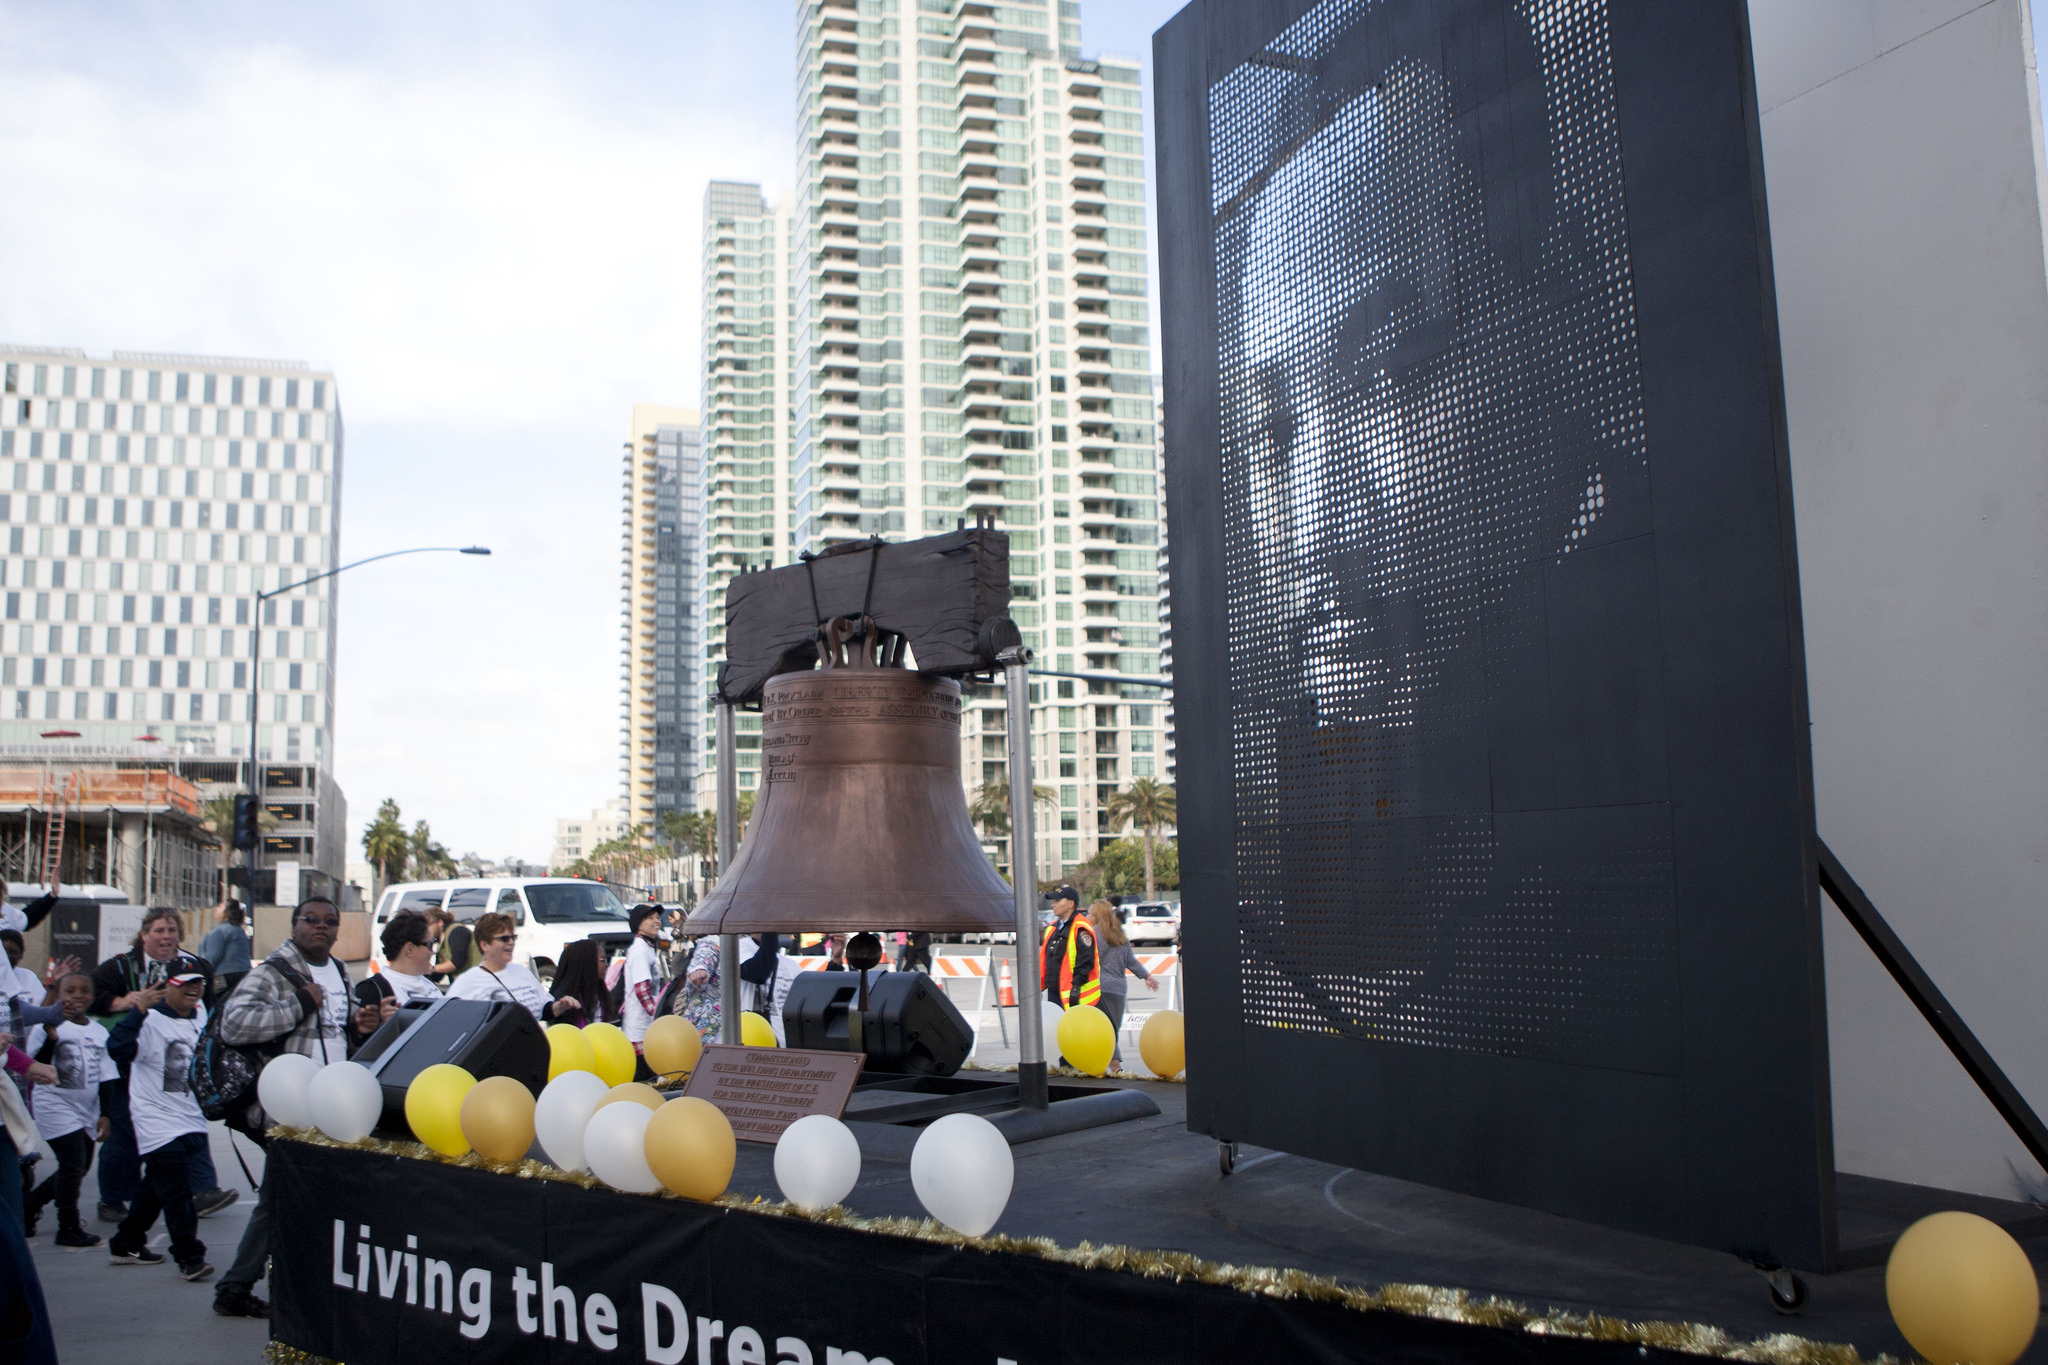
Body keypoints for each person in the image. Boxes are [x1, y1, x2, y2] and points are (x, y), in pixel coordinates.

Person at [212, 896, 382, 1319]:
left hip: (333, 1106)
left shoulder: (339, 971)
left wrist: (360, 1025)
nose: (321, 926)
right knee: (282, 1196)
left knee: (300, 1196)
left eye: (329, 921)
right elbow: (234, 1024)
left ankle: (287, 1283)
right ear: (294, 926)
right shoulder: (272, 973)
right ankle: (236, 1286)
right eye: (311, 919)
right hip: (291, 1107)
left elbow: (335, 1032)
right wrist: (299, 1003)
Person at [88, 908, 232, 1225]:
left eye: (171, 930)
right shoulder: (122, 966)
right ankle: (114, 1199)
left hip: (177, 1062)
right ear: (144, 935)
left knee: (188, 1126)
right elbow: (90, 994)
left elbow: (209, 1008)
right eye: (159, 930)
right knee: (125, 1132)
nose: (166, 937)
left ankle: (202, 1190)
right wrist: (125, 1002)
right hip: (133, 1058)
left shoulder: (195, 966)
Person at [105, 970, 213, 1280]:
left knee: (156, 1186)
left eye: (198, 983)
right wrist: (138, 1011)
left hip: (191, 1117)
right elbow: (118, 1050)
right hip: (157, 1120)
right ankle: (189, 1257)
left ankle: (126, 1243)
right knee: (178, 1192)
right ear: (166, 988)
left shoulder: (200, 1017)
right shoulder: (149, 1020)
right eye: (185, 984)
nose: (193, 989)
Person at [23, 972, 114, 1246]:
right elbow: (33, 1066)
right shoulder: (47, 1026)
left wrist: (106, 1114)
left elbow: (107, 1076)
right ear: (58, 995)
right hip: (55, 1104)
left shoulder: (99, 1032)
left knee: (79, 1168)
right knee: (72, 1165)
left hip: (87, 1109)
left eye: (84, 991)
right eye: (70, 991)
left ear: (93, 996)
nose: (77, 996)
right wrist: (51, 1038)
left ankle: (28, 1206)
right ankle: (68, 1227)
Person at [447, 913, 578, 1021]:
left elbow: (544, 1010)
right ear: (484, 945)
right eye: (504, 939)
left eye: (513, 937)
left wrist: (561, 1005)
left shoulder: (522, 972)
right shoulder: (468, 982)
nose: (511, 943)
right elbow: (450, 1020)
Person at [349, 911, 443, 1045]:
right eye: (430, 944)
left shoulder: (428, 983)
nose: (432, 952)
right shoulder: (372, 990)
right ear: (410, 949)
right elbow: (360, 1044)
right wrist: (381, 1027)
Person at [1088, 900, 1157, 1071]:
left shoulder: (1094, 934)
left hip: (1099, 987)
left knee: (1102, 1028)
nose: (1087, 917)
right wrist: (1146, 976)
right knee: (1112, 1027)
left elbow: (1089, 960)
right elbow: (1130, 961)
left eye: (1089, 913)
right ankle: (1113, 1064)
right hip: (1118, 988)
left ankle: (1113, 1064)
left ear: (1096, 916)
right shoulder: (1120, 934)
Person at [1041, 885, 1100, 1011]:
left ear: (1070, 904)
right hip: (1055, 991)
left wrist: (1076, 986)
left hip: (1076, 993)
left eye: (1058, 901)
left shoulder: (1080, 927)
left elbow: (1086, 960)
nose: (1053, 905)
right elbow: (1045, 960)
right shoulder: (1052, 928)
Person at [620, 905, 664, 1047]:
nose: (656, 921)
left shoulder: (646, 947)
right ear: (639, 924)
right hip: (639, 1030)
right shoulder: (640, 950)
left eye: (657, 917)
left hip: (645, 1028)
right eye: (650, 918)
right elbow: (642, 990)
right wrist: (657, 1017)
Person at [196, 900, 252, 1004]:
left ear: (226, 913)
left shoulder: (220, 931)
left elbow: (213, 957)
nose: (216, 908)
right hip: (243, 976)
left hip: (224, 978)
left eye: (219, 906)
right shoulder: (239, 930)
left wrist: (202, 973)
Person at [547, 941, 611, 1029]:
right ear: (587, 962)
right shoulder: (564, 997)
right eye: (602, 960)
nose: (606, 965)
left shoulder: (599, 992)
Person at [422, 908, 460, 982]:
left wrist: (432, 969)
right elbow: (438, 976)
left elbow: (457, 962)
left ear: (440, 922)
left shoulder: (457, 931)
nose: (425, 931)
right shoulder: (442, 940)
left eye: (427, 926)